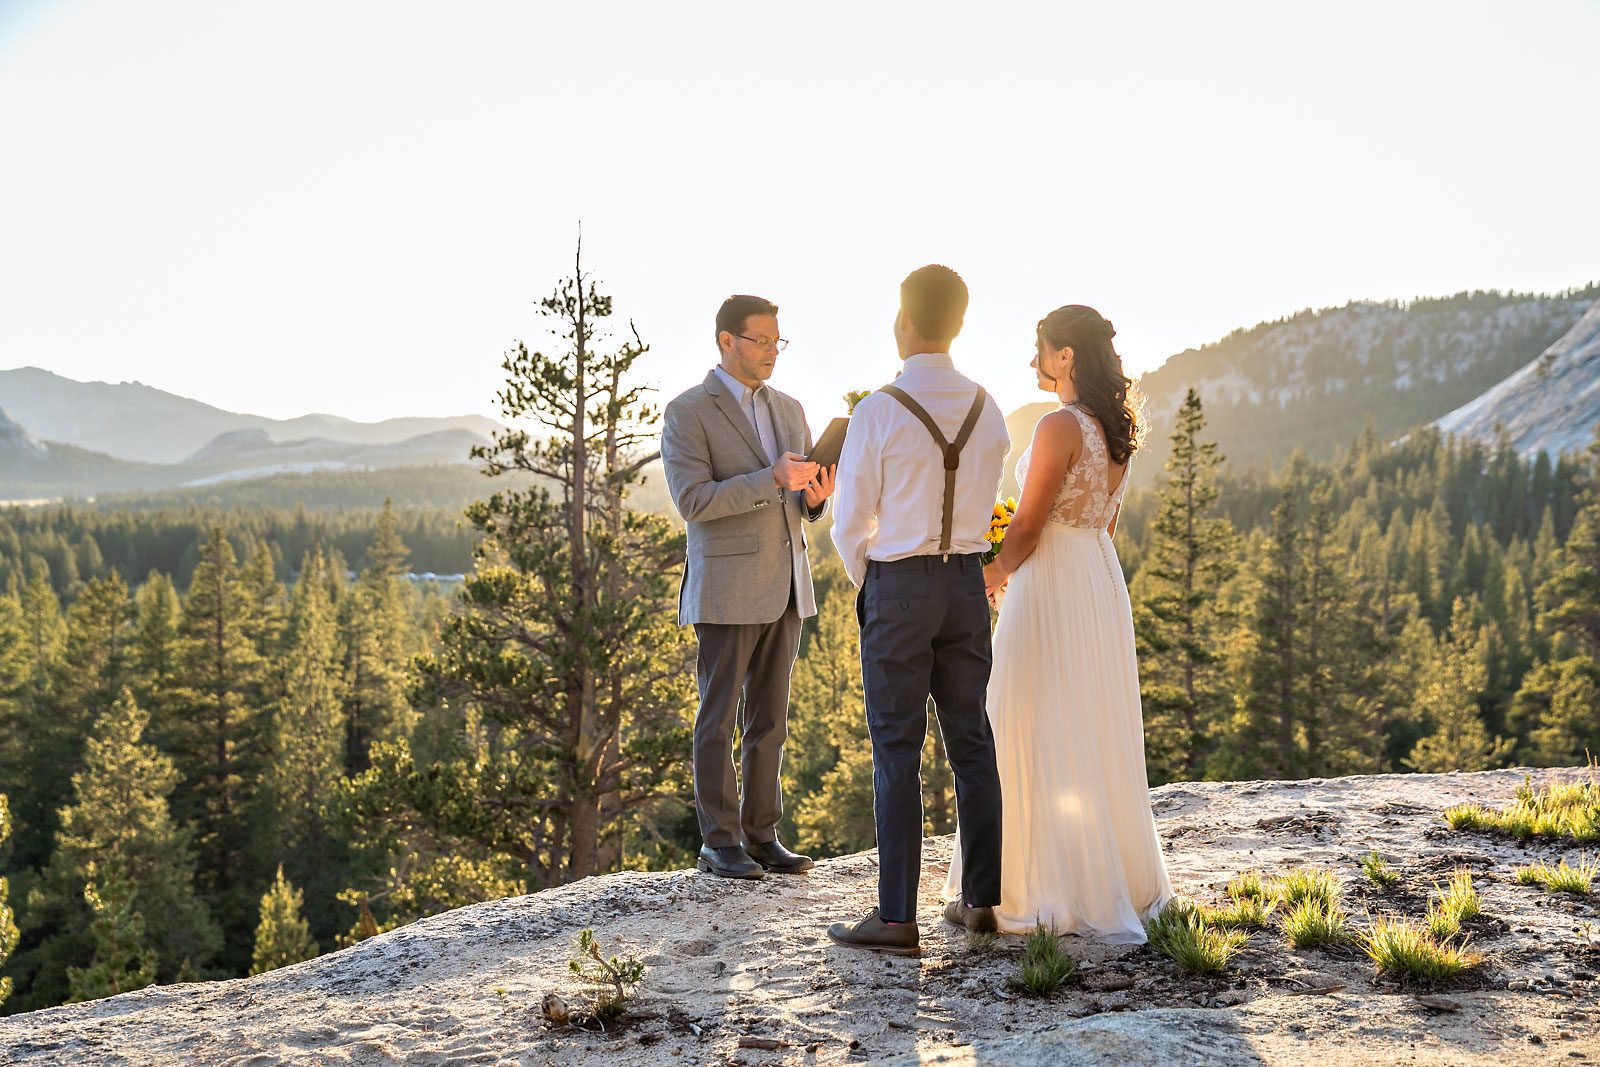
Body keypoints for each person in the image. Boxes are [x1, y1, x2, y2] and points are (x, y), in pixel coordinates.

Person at [944, 303, 1173, 942]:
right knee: (1089, 720)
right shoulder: (1114, 429)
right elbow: (1103, 522)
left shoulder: (1058, 426)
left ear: (1065, 355)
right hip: (1096, 577)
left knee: (1029, 715)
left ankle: (1038, 885)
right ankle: (1107, 878)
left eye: (1041, 347)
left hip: (1050, 580)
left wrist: (988, 577)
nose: (1034, 359)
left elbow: (1028, 525)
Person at [825, 265, 1010, 956]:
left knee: (897, 749)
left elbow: (850, 523)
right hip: (965, 584)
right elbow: (986, 498)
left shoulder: (877, 410)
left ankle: (896, 916)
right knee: (972, 740)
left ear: (903, 324)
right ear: (958, 326)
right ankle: (981, 901)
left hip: (900, 587)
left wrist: (871, 584)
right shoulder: (989, 409)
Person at [661, 294, 835, 879]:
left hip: (787, 584)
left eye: (777, 341)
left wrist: (814, 499)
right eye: (761, 340)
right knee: (718, 717)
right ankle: (720, 841)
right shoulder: (688, 411)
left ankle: (763, 835)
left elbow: (795, 500)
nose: (771, 352)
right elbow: (693, 501)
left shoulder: (790, 408)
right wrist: (771, 478)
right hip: (727, 587)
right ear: (726, 341)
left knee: (770, 721)